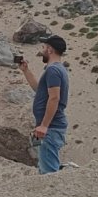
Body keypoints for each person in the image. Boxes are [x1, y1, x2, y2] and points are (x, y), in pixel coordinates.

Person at [18, 34, 70, 174]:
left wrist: (44, 126)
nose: (42, 50)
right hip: (52, 127)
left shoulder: (53, 71)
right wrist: (26, 71)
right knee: (47, 167)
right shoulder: (56, 69)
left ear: (50, 50)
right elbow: (39, 90)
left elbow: (54, 98)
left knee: (49, 173)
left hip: (51, 128)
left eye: (44, 47)